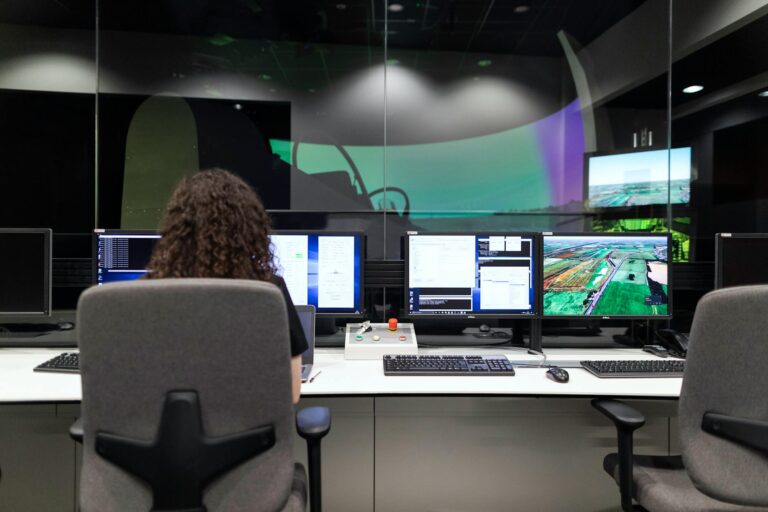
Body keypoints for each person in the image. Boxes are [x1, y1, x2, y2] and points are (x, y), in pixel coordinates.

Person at [146, 168, 308, 403]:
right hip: (247, 437)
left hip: (165, 436)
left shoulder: (145, 297)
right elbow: (291, 394)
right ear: (249, 231)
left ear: (176, 229)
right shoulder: (268, 294)